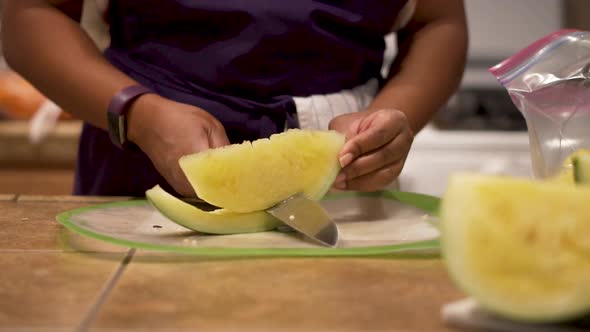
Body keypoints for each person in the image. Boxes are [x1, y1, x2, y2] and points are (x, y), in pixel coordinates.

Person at [2, 0, 468, 197]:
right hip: (145, 160)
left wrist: (387, 119)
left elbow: (436, 20)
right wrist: (138, 113)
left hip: (344, 174)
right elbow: (29, 13)